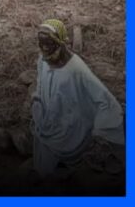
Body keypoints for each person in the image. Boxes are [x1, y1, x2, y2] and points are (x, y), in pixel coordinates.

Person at [31, 19, 125, 178]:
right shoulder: (43, 60)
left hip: (71, 129)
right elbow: (41, 85)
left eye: (49, 43)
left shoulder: (76, 68)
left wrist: (100, 130)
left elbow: (104, 100)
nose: (45, 48)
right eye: (42, 44)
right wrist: (38, 102)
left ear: (60, 43)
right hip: (47, 124)